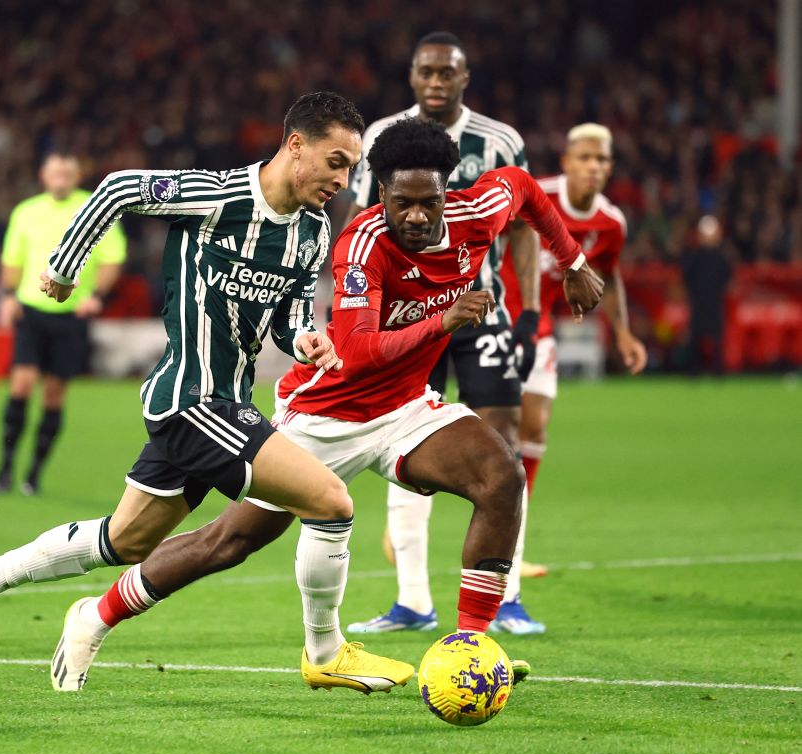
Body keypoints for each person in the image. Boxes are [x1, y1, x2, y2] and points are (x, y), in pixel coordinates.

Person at [48, 119, 602, 693]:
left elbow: (529, 192)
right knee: (229, 542)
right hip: (325, 416)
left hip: (406, 410)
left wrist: (575, 263)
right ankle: (97, 615)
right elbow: (358, 352)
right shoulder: (361, 244)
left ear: (447, 192)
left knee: (501, 475)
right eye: (401, 202)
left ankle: (470, 649)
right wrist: (446, 318)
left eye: (429, 202)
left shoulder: (481, 207)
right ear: (380, 193)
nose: (415, 216)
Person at [0, 92, 413, 691]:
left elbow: (290, 317)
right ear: (296, 146)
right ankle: (326, 653)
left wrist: (306, 342)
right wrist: (65, 267)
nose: (344, 179)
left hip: (226, 405)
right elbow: (116, 189)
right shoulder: (217, 195)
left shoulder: (314, 232)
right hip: (193, 400)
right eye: (336, 161)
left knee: (125, 539)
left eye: (351, 167)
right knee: (330, 500)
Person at [344, 31, 552, 636]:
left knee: (501, 441)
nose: (436, 82)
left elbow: (525, 227)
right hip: (407, 317)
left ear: (465, 78)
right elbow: (357, 218)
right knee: (401, 439)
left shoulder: (500, 141)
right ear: (412, 76)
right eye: (426, 72)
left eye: (447, 73)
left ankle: (506, 594)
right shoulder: (381, 137)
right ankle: (412, 599)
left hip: (483, 311)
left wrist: (533, 313)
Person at [506, 124, 647, 536]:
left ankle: (511, 539)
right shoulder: (535, 195)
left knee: (534, 427)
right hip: (496, 319)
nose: (592, 166)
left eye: (601, 159)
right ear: (567, 162)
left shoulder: (610, 223)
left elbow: (609, 273)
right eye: (584, 157)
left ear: (610, 167)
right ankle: (410, 515)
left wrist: (622, 333)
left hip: (538, 325)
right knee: (487, 432)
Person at [0, 153, 126, 496]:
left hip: (72, 314)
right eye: (55, 171)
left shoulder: (94, 207)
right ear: (43, 174)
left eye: (68, 171)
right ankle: (5, 467)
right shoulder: (26, 211)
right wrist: (7, 295)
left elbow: (113, 258)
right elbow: (12, 259)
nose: (61, 177)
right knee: (20, 385)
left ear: (78, 174)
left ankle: (33, 474)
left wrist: (98, 296)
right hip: (32, 311)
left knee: (53, 394)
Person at [681, 215, 731, 375]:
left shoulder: (721, 259)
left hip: (714, 304)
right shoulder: (694, 258)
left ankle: (717, 371)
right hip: (699, 304)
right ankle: (694, 371)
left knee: (716, 340)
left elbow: (727, 280)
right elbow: (685, 279)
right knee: (696, 340)